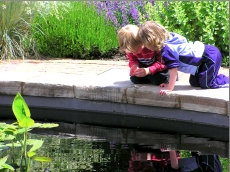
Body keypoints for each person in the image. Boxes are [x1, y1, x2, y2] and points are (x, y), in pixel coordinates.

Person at [137, 21, 229, 96]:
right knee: (194, 83)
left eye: (145, 44)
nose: (145, 47)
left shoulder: (166, 50)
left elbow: (173, 69)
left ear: (150, 41)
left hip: (208, 57)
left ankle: (226, 80)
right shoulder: (168, 40)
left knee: (207, 84)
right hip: (201, 62)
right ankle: (211, 75)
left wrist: (170, 87)